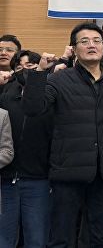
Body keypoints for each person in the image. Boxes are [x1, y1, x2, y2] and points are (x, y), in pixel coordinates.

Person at [22, 22, 103, 248]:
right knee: (61, 237)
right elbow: (32, 109)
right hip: (67, 172)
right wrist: (40, 72)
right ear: (74, 48)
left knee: (101, 237)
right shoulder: (59, 79)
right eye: (84, 41)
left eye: (97, 41)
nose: (92, 45)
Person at [0, 50, 53, 248]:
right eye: (19, 68)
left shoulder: (50, 97)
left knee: (36, 239)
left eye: (31, 67)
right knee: (4, 239)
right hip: (5, 180)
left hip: (39, 179)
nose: (25, 71)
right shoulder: (5, 97)